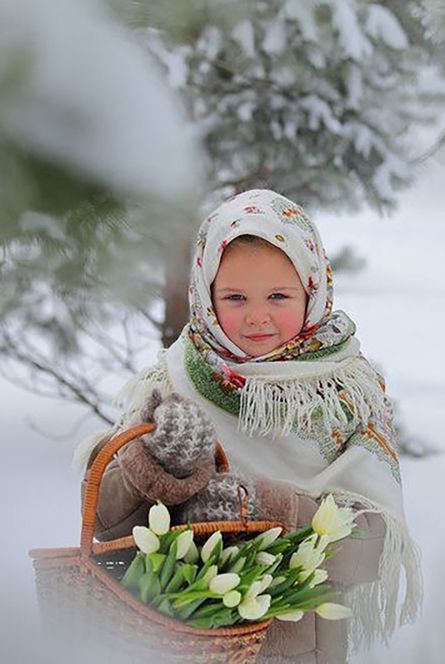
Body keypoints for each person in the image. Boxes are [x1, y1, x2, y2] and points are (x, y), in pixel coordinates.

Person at [73, 189, 421, 662]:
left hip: (301, 644)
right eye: (235, 297)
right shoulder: (174, 381)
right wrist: (156, 468)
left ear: (313, 290)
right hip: (174, 637)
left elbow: (370, 543)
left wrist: (264, 508)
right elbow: (109, 523)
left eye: (279, 296)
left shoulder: (347, 393)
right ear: (205, 295)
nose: (258, 317)